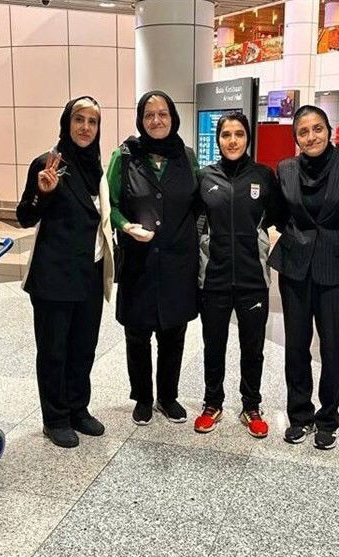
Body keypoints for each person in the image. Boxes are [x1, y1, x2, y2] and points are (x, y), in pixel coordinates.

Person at [16, 96, 115, 448]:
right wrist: (42, 194)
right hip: (55, 277)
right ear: (66, 123)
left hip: (90, 275)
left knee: (84, 347)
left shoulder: (97, 168)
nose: (86, 127)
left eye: (93, 121)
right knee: (54, 350)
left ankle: (77, 409)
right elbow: (24, 217)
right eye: (79, 120)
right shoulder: (48, 163)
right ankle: (55, 418)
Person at [270, 105, 339, 450]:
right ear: (296, 137)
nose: (311, 137)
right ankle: (299, 415)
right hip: (295, 267)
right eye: (303, 131)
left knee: (333, 346)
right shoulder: (286, 168)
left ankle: (328, 419)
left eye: (317, 129)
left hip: (335, 268)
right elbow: (279, 214)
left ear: (329, 131)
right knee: (296, 345)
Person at [107, 90, 200, 427]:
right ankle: (143, 398)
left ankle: (168, 397)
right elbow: (109, 204)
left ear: (173, 117)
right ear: (140, 120)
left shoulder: (186, 156)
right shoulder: (124, 156)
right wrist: (124, 226)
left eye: (163, 114)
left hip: (178, 261)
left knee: (174, 332)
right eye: (149, 115)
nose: (156, 120)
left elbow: (198, 204)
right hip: (138, 260)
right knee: (138, 333)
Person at [193, 112, 283, 438]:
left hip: (252, 279)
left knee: (253, 347)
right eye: (226, 134)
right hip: (214, 278)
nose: (232, 141)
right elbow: (195, 222)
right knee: (213, 345)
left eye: (239, 134)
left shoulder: (263, 176)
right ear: (218, 140)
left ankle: (251, 406)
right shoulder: (205, 177)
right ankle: (212, 403)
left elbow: (279, 218)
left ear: (248, 138)